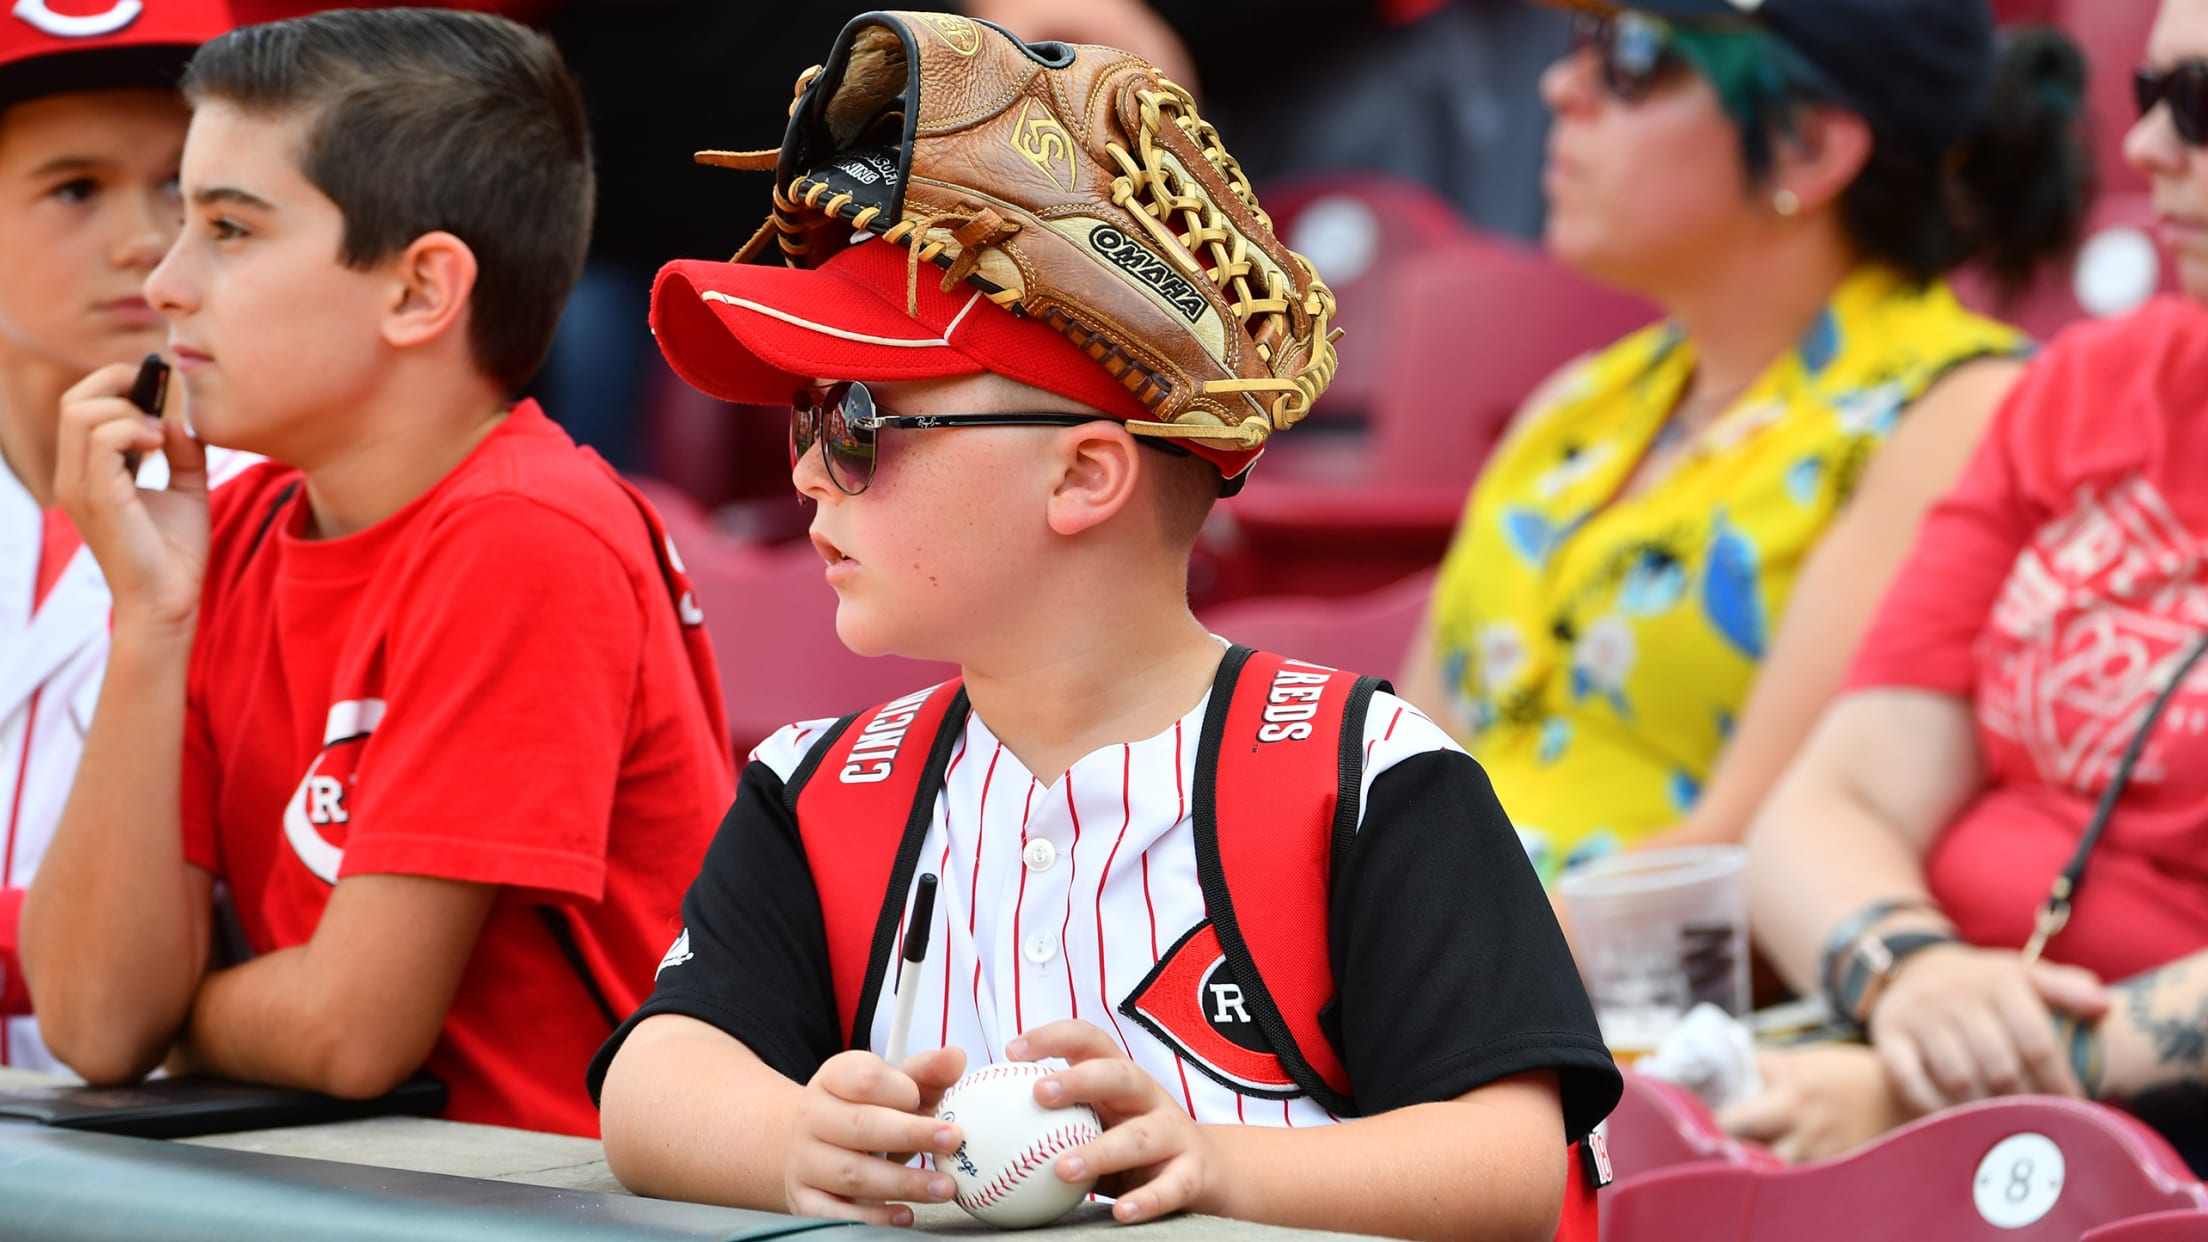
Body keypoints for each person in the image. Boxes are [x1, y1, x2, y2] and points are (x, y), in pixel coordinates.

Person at [590, 13, 1618, 1241]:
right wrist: (797, 1142)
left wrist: (1215, 1162)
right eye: (804, 422)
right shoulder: (815, 787)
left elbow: (1508, 1160)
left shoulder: (1366, 778)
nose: (809, 473)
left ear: (1085, 477)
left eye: (860, 419)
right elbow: (652, 1087)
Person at [21, 8, 733, 1138]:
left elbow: (349, 1036)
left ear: (417, 291)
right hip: (351, 1183)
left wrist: (179, 1017)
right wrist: (149, 620)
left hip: (560, 1199)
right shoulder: (235, 527)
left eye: (229, 230)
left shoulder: (526, 532)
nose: (163, 283)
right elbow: (98, 1023)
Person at [1395, 0, 2093, 888]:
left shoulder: (1957, 411)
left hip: (1629, 1007)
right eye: (1583, 43)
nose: (1561, 85)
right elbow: (1404, 781)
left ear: (1808, 148)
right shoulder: (1574, 407)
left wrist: (1404, 981)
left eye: (1633, 57)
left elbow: (1749, 849)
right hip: (1440, 979)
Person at [1725, 0, 2208, 1173]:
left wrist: (1932, 1088)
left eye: (2201, 107)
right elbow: (1824, 809)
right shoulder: (2097, 383)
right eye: (2147, 98)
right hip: (1927, 1057)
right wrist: (1910, 972)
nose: (2145, 151)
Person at [0, 0, 242, 1073]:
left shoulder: (295, 493)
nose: (148, 236)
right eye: (75, 187)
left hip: (176, 1159)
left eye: (187, 184)